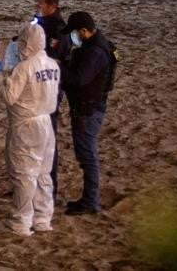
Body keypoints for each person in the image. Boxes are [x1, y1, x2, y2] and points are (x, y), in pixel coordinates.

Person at [0, 21, 60, 236]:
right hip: (46, 122)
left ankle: (20, 221)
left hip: (26, 124)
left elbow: (9, 96)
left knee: (23, 173)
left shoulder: (25, 67)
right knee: (43, 172)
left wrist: (0, 75)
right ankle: (42, 217)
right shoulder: (52, 64)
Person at [61, 11, 115, 215]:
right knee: (86, 155)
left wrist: (60, 68)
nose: (74, 37)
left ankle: (91, 202)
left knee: (87, 156)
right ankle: (88, 199)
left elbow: (80, 79)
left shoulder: (95, 52)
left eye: (75, 33)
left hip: (88, 109)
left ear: (83, 31)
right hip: (89, 107)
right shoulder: (97, 46)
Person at [34, 0, 70, 200]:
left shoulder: (58, 29)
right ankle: (34, 183)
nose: (37, 7)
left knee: (48, 138)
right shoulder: (40, 23)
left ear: (52, 5)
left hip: (50, 88)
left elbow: (53, 57)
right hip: (37, 85)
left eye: (40, 4)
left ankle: (49, 188)